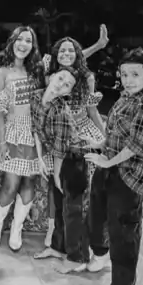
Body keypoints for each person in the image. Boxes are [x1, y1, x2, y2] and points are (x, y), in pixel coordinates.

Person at [84, 48, 143, 285]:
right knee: (97, 215)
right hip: (107, 166)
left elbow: (136, 145)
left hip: (128, 177)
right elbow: (114, 131)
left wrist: (108, 162)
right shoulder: (125, 96)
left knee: (124, 234)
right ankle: (100, 255)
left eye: (135, 74)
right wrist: (100, 144)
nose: (128, 80)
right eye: (125, 74)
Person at [41, 26, 109, 246]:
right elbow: (70, 61)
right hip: (58, 133)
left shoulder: (87, 78)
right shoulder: (50, 75)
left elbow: (92, 111)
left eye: (71, 50)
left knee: (82, 185)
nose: (66, 54)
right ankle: (53, 230)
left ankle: (80, 232)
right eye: (62, 50)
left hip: (82, 133)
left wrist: (105, 138)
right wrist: (97, 46)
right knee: (56, 184)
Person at [0, 26, 47, 252]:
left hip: (33, 134)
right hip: (11, 133)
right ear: (12, 42)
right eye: (20, 39)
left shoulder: (37, 71)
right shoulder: (1, 73)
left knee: (29, 182)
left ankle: (16, 229)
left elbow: (70, 63)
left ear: (33, 46)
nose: (23, 44)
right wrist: (1, 141)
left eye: (28, 40)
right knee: (10, 183)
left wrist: (98, 46)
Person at [33, 67, 98, 273]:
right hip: (58, 158)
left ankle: (78, 258)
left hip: (73, 161)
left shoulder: (61, 110)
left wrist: (57, 175)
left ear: (69, 91)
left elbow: (61, 149)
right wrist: (40, 158)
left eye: (67, 84)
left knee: (73, 211)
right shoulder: (37, 97)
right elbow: (36, 128)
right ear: (52, 77)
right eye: (60, 78)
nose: (61, 84)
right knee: (61, 208)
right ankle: (58, 248)